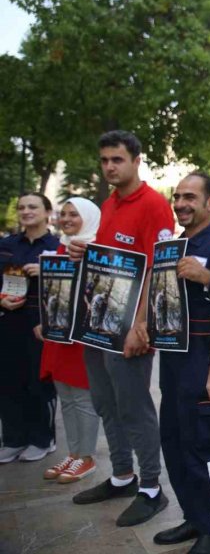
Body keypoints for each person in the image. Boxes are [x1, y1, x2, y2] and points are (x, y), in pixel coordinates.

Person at [69, 130, 175, 528]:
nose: (110, 166)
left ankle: (151, 488)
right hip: (98, 325)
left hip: (130, 329)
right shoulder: (108, 204)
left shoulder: (154, 205)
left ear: (136, 161)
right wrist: (85, 252)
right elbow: (111, 261)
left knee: (133, 407)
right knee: (105, 402)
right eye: (104, 160)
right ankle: (122, 476)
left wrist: (141, 324)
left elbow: (157, 267)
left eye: (117, 159)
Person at [153, 171, 210, 554]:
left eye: (190, 197)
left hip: (202, 361)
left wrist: (207, 277)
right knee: (174, 442)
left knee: (202, 446)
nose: (181, 203)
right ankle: (193, 518)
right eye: (178, 196)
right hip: (171, 362)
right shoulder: (169, 247)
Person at [38, 197, 103, 484]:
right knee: (65, 396)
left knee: (82, 398)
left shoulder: (96, 249)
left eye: (74, 214)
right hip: (59, 335)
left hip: (82, 337)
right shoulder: (61, 249)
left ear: (88, 217)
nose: (66, 219)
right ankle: (73, 453)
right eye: (63, 213)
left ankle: (86, 457)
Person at [0, 193, 59, 463]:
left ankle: (42, 439)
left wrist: (47, 270)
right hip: (8, 323)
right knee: (8, 382)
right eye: (22, 207)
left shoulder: (58, 248)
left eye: (33, 206)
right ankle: (13, 440)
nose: (26, 211)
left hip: (41, 326)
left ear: (47, 212)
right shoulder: (6, 245)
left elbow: (72, 285)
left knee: (39, 383)